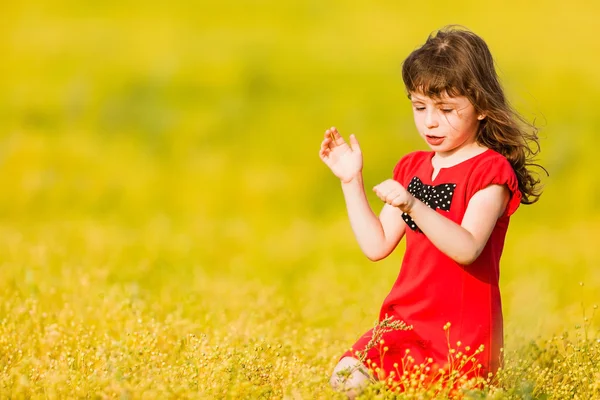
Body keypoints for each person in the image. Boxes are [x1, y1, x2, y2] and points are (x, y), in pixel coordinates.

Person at [318, 26, 544, 397]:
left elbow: (467, 248)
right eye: (419, 107)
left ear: (483, 107)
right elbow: (376, 246)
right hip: (403, 322)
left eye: (446, 110)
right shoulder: (412, 167)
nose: (430, 122)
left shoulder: (491, 172)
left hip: (462, 334)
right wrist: (350, 180)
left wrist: (412, 204)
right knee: (347, 378)